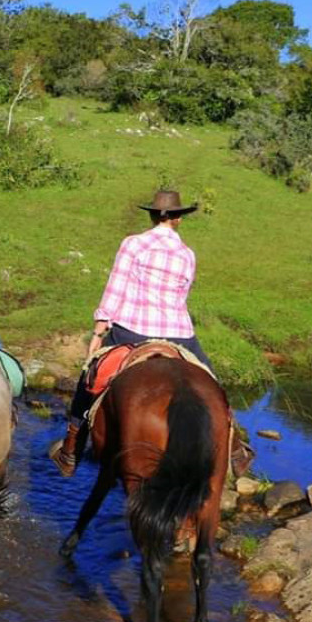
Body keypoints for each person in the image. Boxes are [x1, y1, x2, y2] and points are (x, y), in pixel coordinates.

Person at [49, 189, 212, 477]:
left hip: (132, 331)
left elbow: (116, 286)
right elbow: (183, 294)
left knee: (90, 378)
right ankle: (235, 450)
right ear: (178, 219)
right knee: (212, 383)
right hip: (178, 333)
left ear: (152, 215)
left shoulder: (133, 244)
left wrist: (99, 330)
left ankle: (71, 449)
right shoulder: (188, 254)